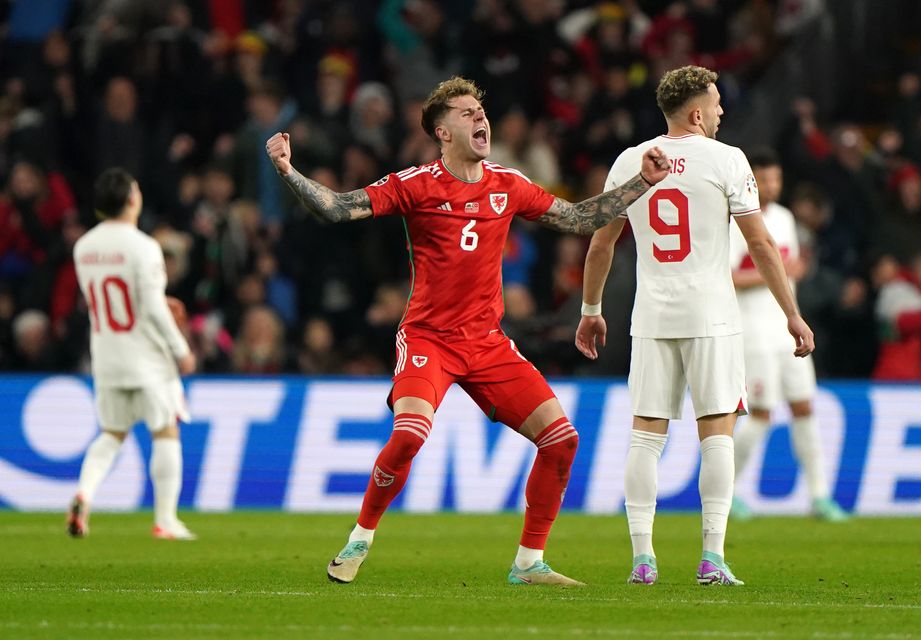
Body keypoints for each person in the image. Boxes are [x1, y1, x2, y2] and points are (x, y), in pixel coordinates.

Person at [266, 76, 670, 586]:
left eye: (481, 110)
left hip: (486, 342)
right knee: (410, 433)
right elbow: (336, 207)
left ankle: (529, 563)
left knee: (562, 441)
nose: (480, 118)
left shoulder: (508, 184)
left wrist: (641, 183)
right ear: (442, 132)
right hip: (429, 339)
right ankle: (361, 537)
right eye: (465, 112)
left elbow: (576, 218)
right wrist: (287, 170)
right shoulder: (415, 184)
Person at [574, 66, 814, 586]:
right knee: (717, 433)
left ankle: (642, 559)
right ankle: (712, 557)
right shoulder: (728, 160)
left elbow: (600, 243)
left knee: (645, 435)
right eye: (718, 103)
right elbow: (761, 244)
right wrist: (791, 312)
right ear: (698, 112)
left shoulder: (628, 161)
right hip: (712, 316)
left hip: (652, 316)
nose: (723, 111)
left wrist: (592, 309)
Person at [68, 168, 197, 540]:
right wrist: (181, 349)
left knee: (111, 433)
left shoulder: (84, 247)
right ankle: (165, 520)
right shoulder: (144, 246)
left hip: (106, 354)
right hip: (146, 357)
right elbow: (153, 308)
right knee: (165, 430)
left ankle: (84, 493)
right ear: (131, 200)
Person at [728, 149, 848, 522]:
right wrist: (774, 270)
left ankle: (819, 496)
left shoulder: (784, 218)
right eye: (765, 179)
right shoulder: (735, 222)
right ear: (751, 180)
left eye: (776, 178)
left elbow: (787, 273)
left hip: (785, 330)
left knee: (803, 405)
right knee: (761, 413)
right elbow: (728, 277)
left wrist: (790, 273)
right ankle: (725, 491)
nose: (772, 186)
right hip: (754, 332)